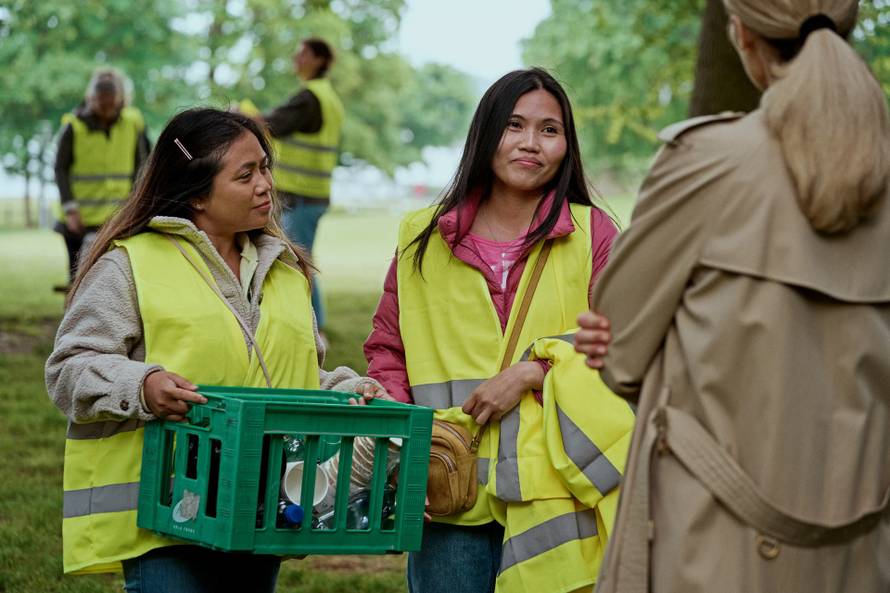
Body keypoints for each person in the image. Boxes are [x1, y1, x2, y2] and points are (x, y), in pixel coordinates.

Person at [575, 2, 890, 592]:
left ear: (740, 33)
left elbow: (619, 351)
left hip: (712, 546)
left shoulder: (708, 160)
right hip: (864, 547)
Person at [45, 108, 384, 593]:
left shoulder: (286, 272)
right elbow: (68, 368)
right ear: (197, 193)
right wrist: (140, 385)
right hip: (164, 518)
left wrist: (350, 389)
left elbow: (297, 375)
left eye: (265, 167)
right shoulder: (129, 265)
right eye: (245, 175)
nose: (266, 184)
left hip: (260, 511)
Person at [364, 68, 634, 593]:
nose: (530, 143)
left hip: (554, 489)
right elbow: (388, 349)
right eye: (514, 126)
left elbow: (626, 345)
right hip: (446, 484)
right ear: (486, 133)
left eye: (549, 130)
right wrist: (401, 447)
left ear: (566, 144)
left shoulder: (592, 234)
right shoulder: (422, 235)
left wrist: (535, 371)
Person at [251, 37, 344, 338]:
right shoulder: (327, 97)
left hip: (302, 197)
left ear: (318, 59)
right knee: (301, 259)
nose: (296, 59)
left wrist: (247, 117)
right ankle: (318, 322)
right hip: (312, 195)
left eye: (301, 53)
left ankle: (311, 327)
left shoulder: (310, 98)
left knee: (296, 262)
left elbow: (273, 124)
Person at [53, 67, 151, 290]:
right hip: (79, 220)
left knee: (117, 279)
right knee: (78, 281)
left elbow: (143, 166)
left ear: (120, 100)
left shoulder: (133, 122)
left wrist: (136, 205)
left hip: (119, 217)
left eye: (111, 104)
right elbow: (60, 169)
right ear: (91, 99)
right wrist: (70, 209)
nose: (107, 111)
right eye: (101, 104)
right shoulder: (73, 125)